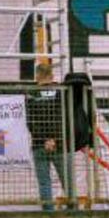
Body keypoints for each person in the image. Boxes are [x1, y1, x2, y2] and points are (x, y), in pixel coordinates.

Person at [25, 68, 70, 210]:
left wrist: (45, 139)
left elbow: (31, 121)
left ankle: (48, 214)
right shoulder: (61, 91)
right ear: (52, 75)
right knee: (67, 181)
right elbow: (63, 117)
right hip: (60, 143)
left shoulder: (30, 93)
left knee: (44, 183)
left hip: (39, 144)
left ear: (37, 75)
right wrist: (54, 138)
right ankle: (73, 210)